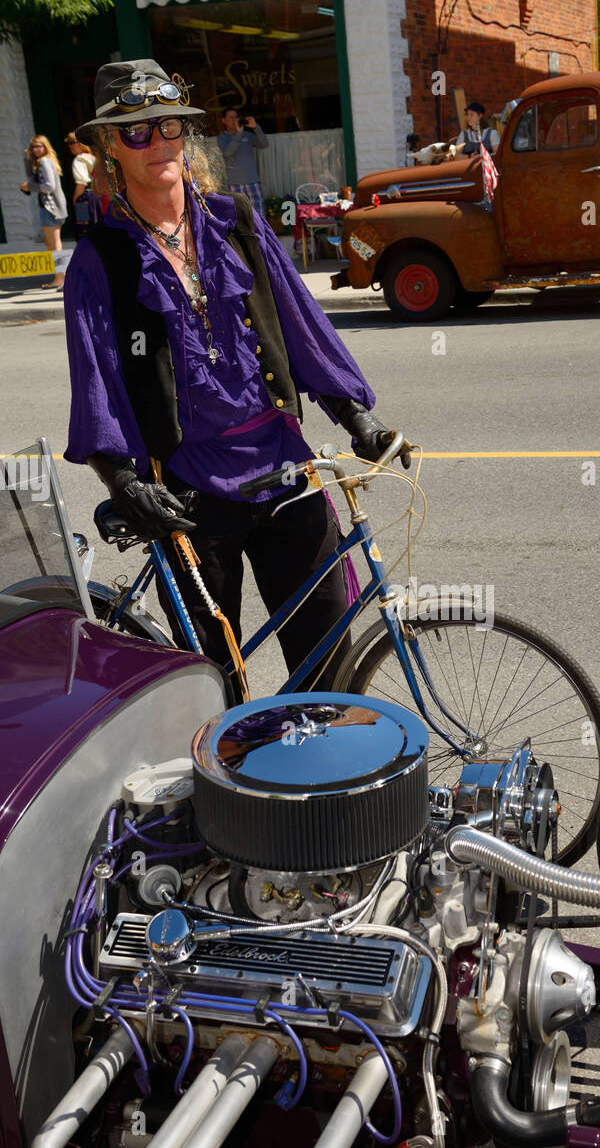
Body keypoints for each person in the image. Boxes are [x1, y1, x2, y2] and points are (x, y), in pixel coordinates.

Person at [64, 59, 412, 692]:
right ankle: (233, 784)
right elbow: (98, 384)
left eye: (167, 124)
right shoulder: (99, 260)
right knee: (215, 680)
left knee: (327, 655)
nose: (156, 142)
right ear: (111, 147)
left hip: (283, 469)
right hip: (189, 493)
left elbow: (303, 329)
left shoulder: (237, 223)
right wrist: (123, 481)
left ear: (185, 134)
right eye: (135, 132)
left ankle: (312, 776)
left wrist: (357, 416)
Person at [20, 135, 68, 288]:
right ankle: (62, 275)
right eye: (33, 146)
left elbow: (49, 186)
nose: (35, 149)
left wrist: (29, 187)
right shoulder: (45, 161)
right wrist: (27, 160)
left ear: (45, 146)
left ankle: (61, 278)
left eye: (39, 146)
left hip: (50, 208)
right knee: (51, 243)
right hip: (52, 207)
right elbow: (32, 179)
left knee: (55, 244)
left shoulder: (45, 162)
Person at [217, 108, 269, 216]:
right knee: (240, 216)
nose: (234, 120)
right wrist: (238, 135)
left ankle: (261, 233)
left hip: (252, 181)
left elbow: (264, 144)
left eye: (236, 117)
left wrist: (256, 127)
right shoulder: (222, 138)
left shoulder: (247, 135)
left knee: (259, 214)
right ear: (224, 121)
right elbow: (227, 153)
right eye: (231, 117)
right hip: (234, 183)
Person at [65, 132, 97, 239]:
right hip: (98, 196)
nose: (70, 146)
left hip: (85, 198)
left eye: (72, 142)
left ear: (80, 143)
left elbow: (81, 183)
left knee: (85, 232)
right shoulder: (93, 158)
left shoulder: (79, 159)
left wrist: (75, 200)